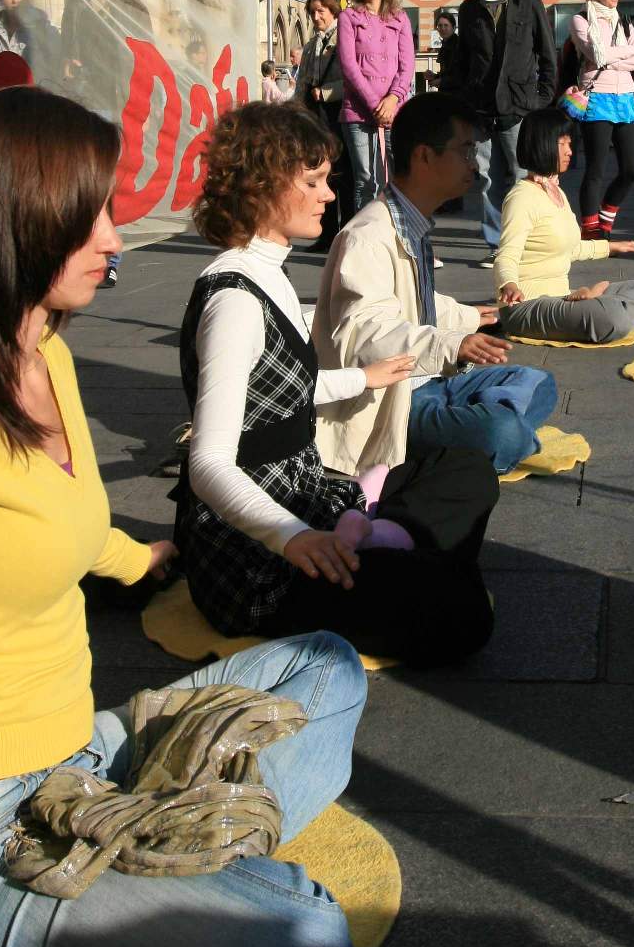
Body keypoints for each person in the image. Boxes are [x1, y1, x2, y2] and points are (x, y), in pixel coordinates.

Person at [0, 87, 366, 947]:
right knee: (308, 927)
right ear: (18, 221)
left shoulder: (48, 353)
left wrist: (138, 558)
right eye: (89, 216)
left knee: (325, 668)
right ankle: (184, 843)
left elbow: (57, 516)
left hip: (79, 761)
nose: (113, 239)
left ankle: (166, 838)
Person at [174, 102, 497, 668]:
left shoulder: (267, 272)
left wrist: (361, 378)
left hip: (306, 499)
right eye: (313, 182)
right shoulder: (234, 301)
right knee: (465, 613)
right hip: (260, 556)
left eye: (327, 179)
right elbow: (208, 464)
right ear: (260, 186)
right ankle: (389, 549)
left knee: (467, 468)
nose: (329, 194)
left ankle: (382, 543)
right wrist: (293, 537)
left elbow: (276, 389)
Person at [312, 92, 558, 477]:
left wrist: (469, 317)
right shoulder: (367, 235)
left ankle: (471, 427)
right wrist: (452, 344)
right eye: (465, 151)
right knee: (502, 432)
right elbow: (364, 333)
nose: (474, 163)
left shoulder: (411, 221)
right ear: (424, 156)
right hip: (396, 399)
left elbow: (412, 301)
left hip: (433, 378)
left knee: (538, 381)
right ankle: (488, 431)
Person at [493, 107, 634, 342]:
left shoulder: (556, 192)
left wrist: (610, 247)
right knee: (612, 317)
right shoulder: (521, 197)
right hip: (527, 306)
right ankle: (597, 304)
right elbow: (506, 255)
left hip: (563, 296)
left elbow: (571, 249)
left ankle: (592, 301)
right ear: (542, 145)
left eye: (570, 144)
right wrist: (509, 284)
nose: (570, 151)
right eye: (562, 144)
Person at [440, 0, 556, 261]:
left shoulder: (529, 4)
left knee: (522, 177)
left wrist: (541, 99)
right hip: (480, 108)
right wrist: (462, 100)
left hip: (518, 106)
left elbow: (548, 55)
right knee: (488, 180)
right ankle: (497, 246)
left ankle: (523, 245)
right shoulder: (469, 9)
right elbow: (463, 62)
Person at [62, 0, 152, 288]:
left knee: (111, 185)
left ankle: (109, 258)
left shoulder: (131, 7)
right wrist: (69, 63)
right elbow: (66, 48)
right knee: (88, 183)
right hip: (84, 102)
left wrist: (143, 112)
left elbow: (145, 61)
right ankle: (88, 250)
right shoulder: (76, 5)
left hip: (120, 103)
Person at [569, 0, 634, 237]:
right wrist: (623, 53)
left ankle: (605, 217)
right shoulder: (580, 20)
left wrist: (611, 57)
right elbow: (596, 55)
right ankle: (591, 230)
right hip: (596, 98)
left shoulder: (623, 21)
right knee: (595, 170)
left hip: (625, 97)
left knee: (632, 170)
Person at [337, 0, 415, 211]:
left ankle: (399, 228)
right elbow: (349, 66)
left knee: (399, 177)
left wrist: (392, 99)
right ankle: (366, 231)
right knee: (366, 180)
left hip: (394, 111)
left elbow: (407, 65)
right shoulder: (348, 17)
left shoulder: (400, 18)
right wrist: (374, 104)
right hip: (358, 111)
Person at [295, 0, 353, 250]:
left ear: (333, 11)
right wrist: (296, 113)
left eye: (321, 11)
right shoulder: (311, 45)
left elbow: (354, 78)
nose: (316, 17)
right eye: (312, 12)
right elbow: (302, 82)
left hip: (339, 113)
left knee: (345, 176)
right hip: (316, 117)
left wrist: (328, 92)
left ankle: (347, 234)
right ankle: (327, 233)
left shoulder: (346, 37)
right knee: (323, 175)